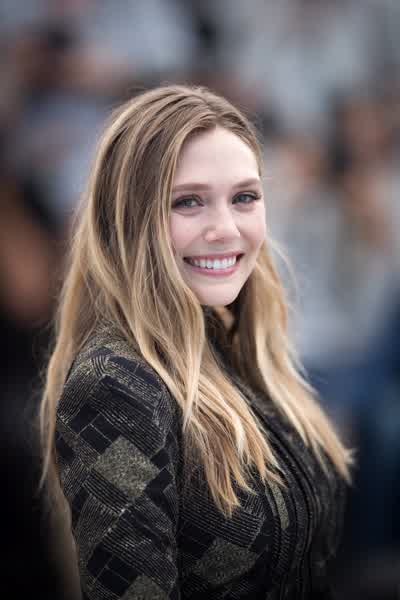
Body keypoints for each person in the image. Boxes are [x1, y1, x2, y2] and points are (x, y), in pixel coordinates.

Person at [40, 84, 352, 599]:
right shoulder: (114, 383)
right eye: (188, 202)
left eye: (244, 197)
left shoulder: (235, 340)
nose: (225, 228)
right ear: (129, 218)